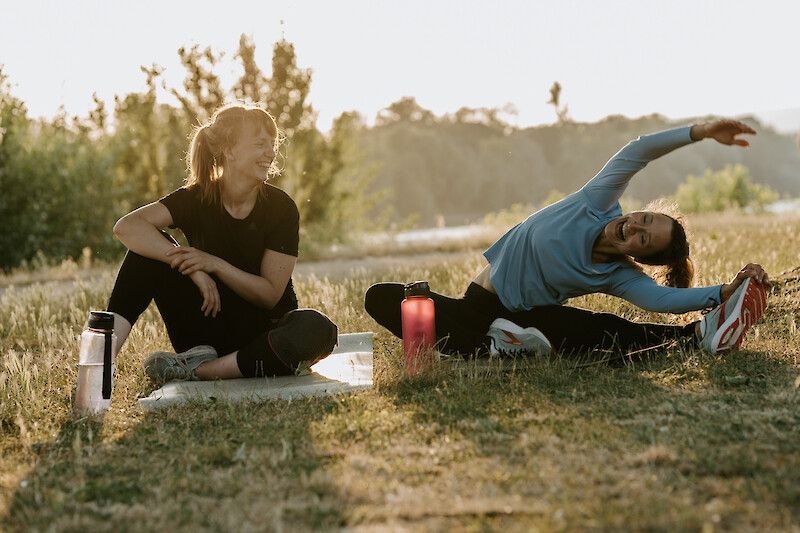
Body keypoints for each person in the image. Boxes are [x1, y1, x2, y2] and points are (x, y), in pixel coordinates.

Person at [365, 119, 770, 361]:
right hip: (479, 307)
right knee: (381, 296)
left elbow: (661, 301)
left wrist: (723, 292)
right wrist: (701, 132)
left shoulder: (617, 275)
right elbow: (639, 150)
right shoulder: (596, 202)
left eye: (644, 240)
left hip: (525, 320)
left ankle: (698, 335)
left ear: (641, 258)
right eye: (643, 218)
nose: (634, 228)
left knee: (597, 328)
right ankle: (493, 349)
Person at [105, 102, 338, 385]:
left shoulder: (281, 207)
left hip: (262, 335)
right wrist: (195, 270)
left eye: (273, 144)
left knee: (318, 329)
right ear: (230, 150)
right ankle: (101, 364)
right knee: (145, 257)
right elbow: (127, 227)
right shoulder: (197, 197)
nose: (271, 152)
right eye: (260, 144)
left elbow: (269, 295)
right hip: (206, 331)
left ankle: (197, 371)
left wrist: (213, 263)